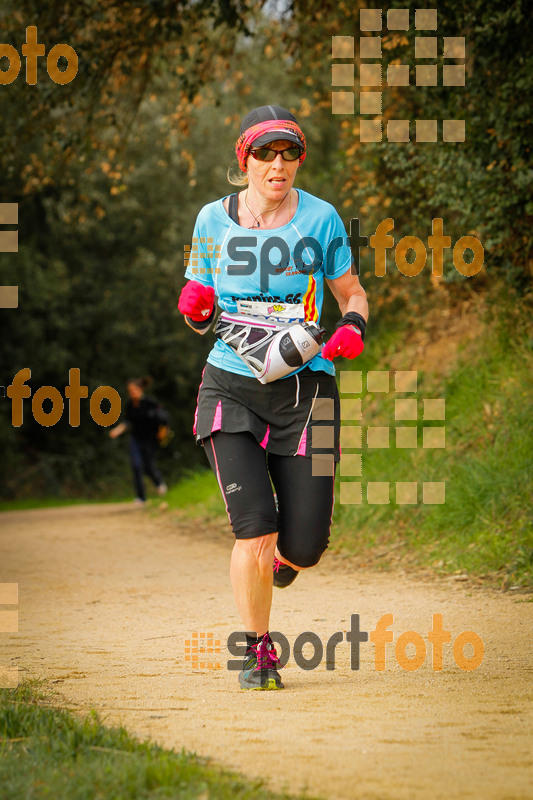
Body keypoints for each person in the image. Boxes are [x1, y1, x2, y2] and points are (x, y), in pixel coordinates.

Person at [178, 105, 368, 690]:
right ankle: (257, 650)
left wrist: (352, 330)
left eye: (289, 153)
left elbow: (352, 293)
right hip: (231, 381)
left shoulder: (322, 219)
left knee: (306, 544)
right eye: (265, 152)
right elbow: (198, 305)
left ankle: (288, 562)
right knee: (254, 529)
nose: (277, 164)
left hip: (306, 386)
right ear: (246, 160)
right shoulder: (213, 220)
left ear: (299, 159)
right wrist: (195, 308)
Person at [109, 377, 168, 505]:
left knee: (148, 467)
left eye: (134, 390)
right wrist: (117, 430)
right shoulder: (130, 405)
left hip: (150, 439)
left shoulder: (150, 403)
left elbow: (163, 419)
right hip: (136, 439)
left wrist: (162, 433)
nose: (132, 393)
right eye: (130, 391)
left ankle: (159, 483)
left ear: (140, 389)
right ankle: (141, 497)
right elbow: (128, 421)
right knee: (136, 466)